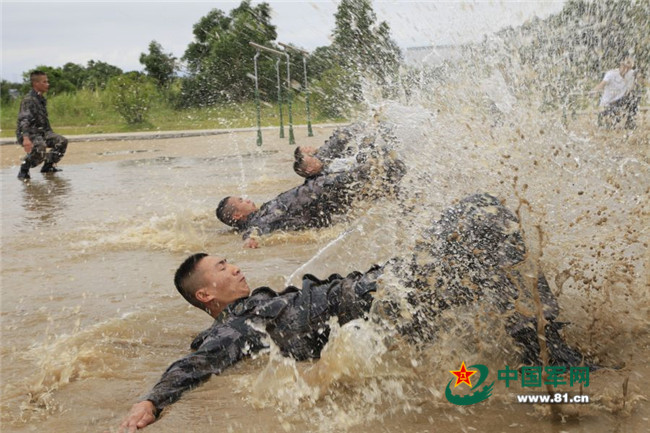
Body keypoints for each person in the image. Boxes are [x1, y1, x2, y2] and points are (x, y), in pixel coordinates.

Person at [118, 194, 586, 431]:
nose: (235, 266)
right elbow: (195, 362)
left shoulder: (253, 308)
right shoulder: (236, 327)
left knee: (483, 219)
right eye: (223, 267)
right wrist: (153, 400)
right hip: (386, 298)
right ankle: (554, 361)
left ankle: (545, 351)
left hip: (387, 284)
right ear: (206, 296)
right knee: (486, 222)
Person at [216, 147, 405, 248]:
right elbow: (255, 230)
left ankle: (405, 195)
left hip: (321, 191)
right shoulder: (259, 220)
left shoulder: (263, 210)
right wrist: (250, 238)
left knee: (376, 176)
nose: (246, 199)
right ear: (237, 216)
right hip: (323, 193)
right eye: (240, 202)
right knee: (378, 166)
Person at [15, 70, 68, 180]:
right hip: (29, 134)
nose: (47, 84)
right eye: (45, 82)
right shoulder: (28, 100)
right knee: (40, 147)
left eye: (47, 81)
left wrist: (50, 134)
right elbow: (24, 120)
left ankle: (48, 166)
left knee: (61, 141)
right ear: (36, 84)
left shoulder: (40, 99)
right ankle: (24, 169)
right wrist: (26, 138)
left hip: (42, 133)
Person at [591, 58, 638, 129]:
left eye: (628, 67)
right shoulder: (611, 74)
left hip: (619, 102)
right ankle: (605, 119)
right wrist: (593, 91)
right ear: (621, 65)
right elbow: (602, 84)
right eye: (624, 66)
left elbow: (641, 78)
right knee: (609, 125)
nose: (626, 69)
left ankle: (629, 121)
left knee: (634, 97)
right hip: (608, 104)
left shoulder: (631, 74)